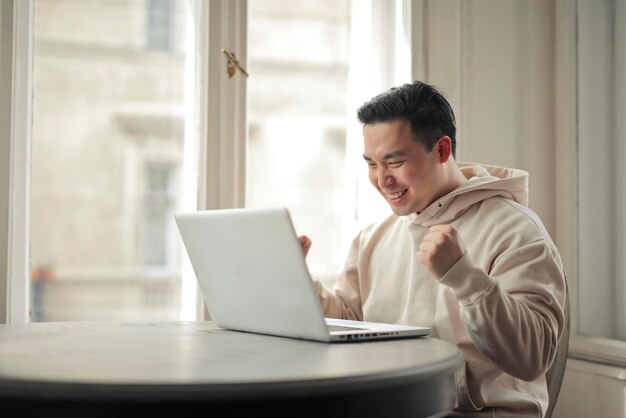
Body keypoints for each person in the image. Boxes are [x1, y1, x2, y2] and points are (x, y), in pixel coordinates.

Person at [299, 80, 567, 418]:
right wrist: (299, 281)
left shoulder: (516, 230)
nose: (382, 179)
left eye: (394, 162)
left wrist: (465, 278)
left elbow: (533, 358)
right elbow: (350, 321)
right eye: (371, 164)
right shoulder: (373, 237)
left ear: (441, 150)